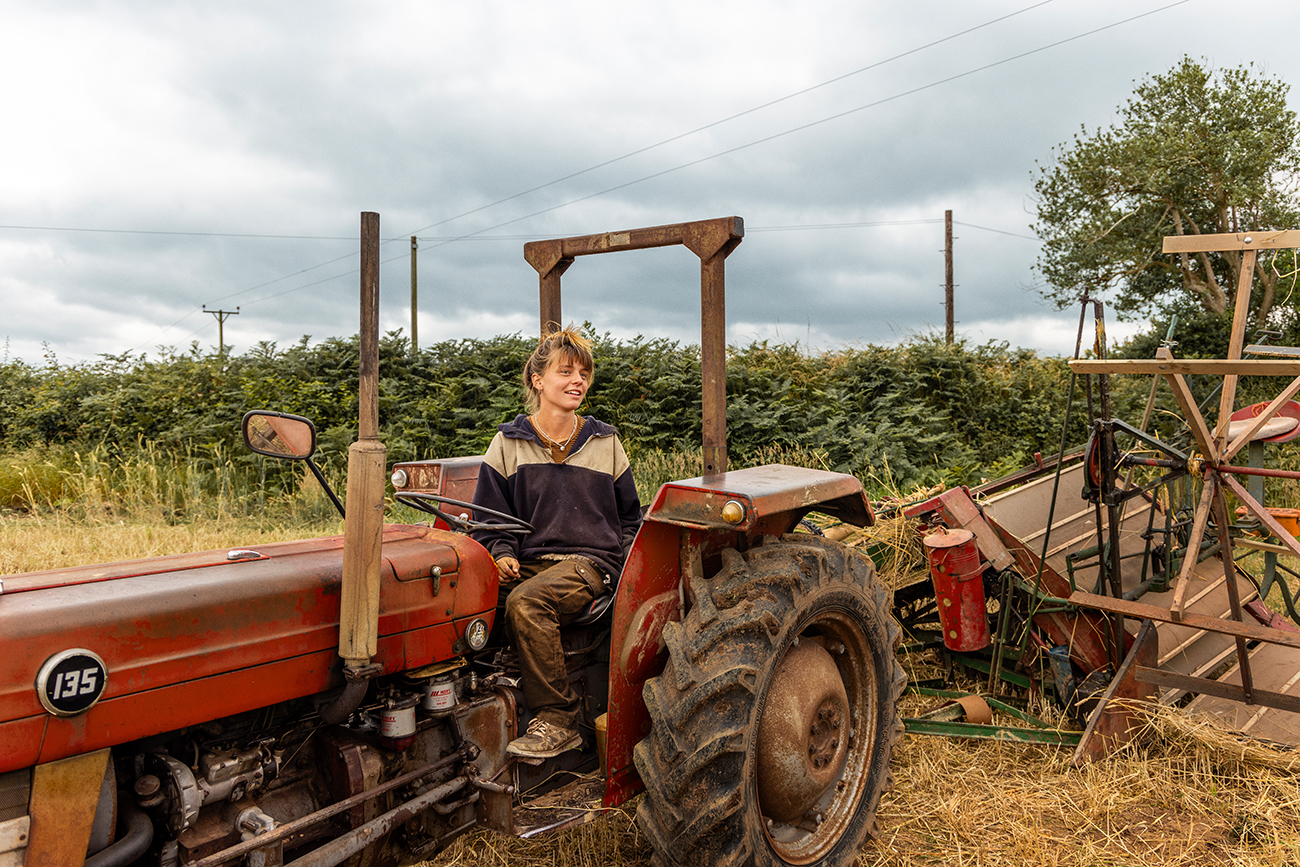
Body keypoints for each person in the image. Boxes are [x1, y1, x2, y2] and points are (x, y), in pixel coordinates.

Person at [471, 324, 642, 759]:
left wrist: (618, 563)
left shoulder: (605, 441)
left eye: (583, 373)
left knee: (528, 603)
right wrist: (501, 553)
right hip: (532, 561)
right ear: (538, 380)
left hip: (590, 562)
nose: (577, 381)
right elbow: (489, 518)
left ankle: (557, 720)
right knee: (462, 595)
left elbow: (630, 517)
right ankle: (472, 695)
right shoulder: (508, 442)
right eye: (566, 372)